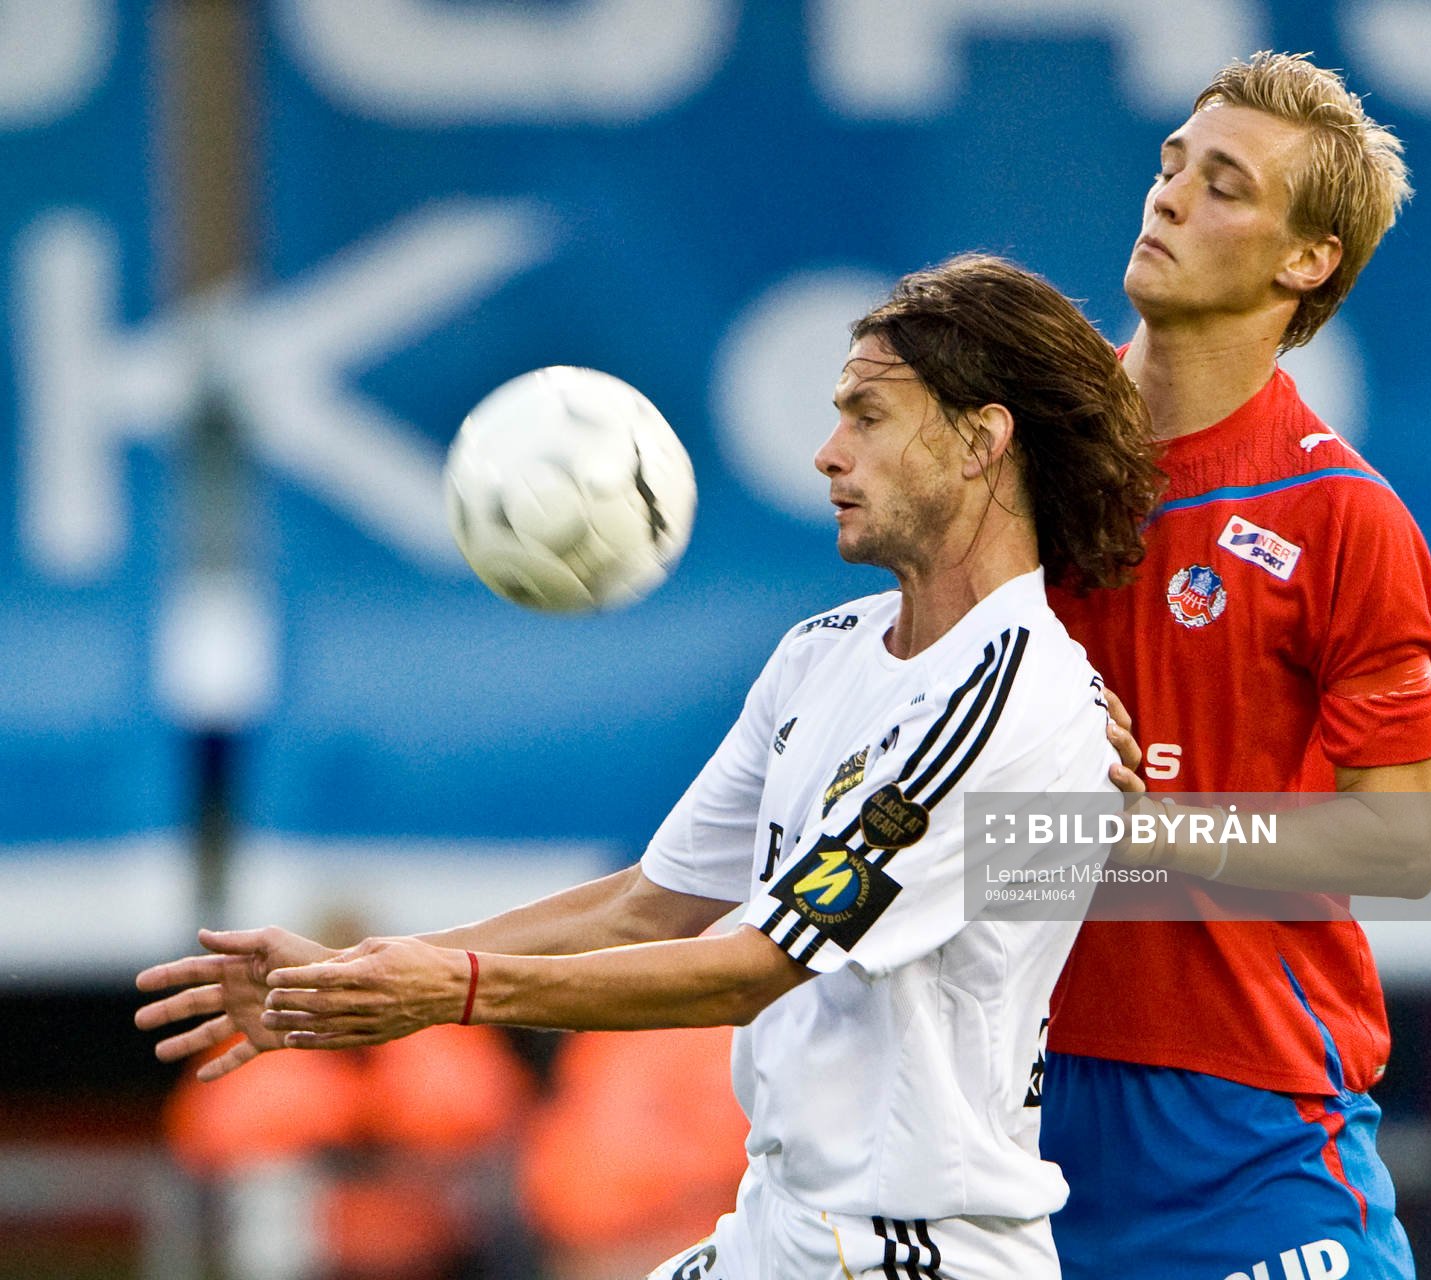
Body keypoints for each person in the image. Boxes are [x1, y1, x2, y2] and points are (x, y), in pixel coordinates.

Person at [137, 253, 1162, 1278]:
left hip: (904, 1250)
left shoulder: (1013, 699)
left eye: (867, 415)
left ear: (983, 440)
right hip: (781, 1229)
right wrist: (357, 973)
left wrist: (450, 989)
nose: (826, 453)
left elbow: (756, 962)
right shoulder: (823, 652)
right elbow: (649, 904)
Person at [1040, 52, 1431, 1280]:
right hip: (1000, 1110)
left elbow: (1401, 846)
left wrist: (1150, 833)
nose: (1167, 197)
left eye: (1224, 185)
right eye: (1172, 166)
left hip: (1241, 1129)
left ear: (1306, 258)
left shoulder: (1342, 516)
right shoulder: (1013, 466)